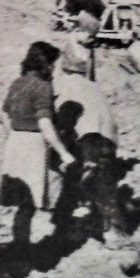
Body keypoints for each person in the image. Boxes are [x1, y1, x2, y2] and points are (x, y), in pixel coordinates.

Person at [0, 42, 75, 244]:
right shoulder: (43, 86)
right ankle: (23, 250)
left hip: (15, 142)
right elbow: (45, 125)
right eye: (54, 64)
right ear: (47, 64)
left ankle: (20, 245)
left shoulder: (18, 82)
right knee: (29, 201)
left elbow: (4, 113)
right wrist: (64, 153)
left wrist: (13, 136)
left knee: (24, 202)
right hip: (33, 145)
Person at [52, 56, 124, 247]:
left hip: (84, 139)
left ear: (64, 69)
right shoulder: (94, 86)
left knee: (71, 182)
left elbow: (60, 119)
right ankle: (113, 233)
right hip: (107, 138)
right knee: (105, 186)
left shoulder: (61, 84)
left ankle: (65, 229)